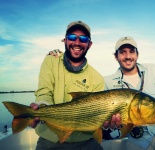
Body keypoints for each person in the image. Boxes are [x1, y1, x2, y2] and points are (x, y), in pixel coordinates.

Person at [29, 21, 106, 150]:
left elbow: (97, 115)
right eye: (72, 37)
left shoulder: (97, 78)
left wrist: (107, 120)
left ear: (89, 44)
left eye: (83, 39)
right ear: (65, 40)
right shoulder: (51, 60)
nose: (77, 42)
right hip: (50, 138)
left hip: (84, 141)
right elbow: (44, 92)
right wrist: (42, 108)